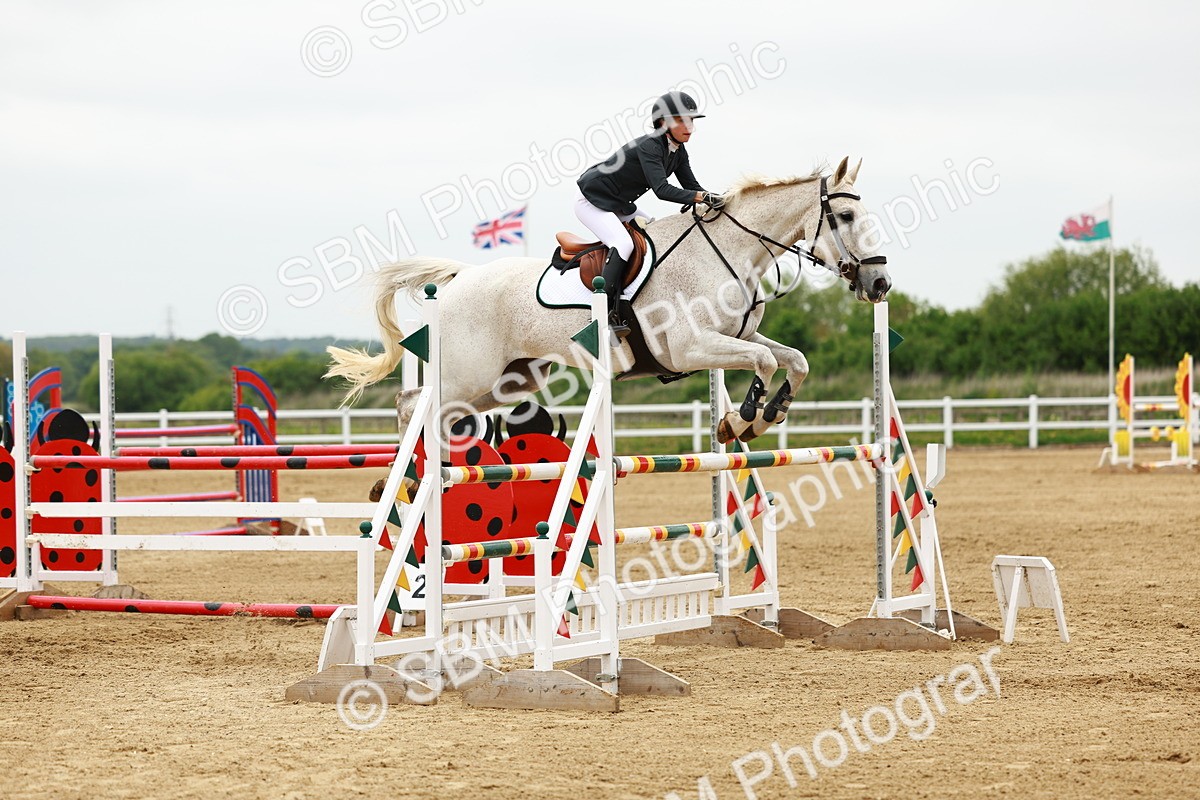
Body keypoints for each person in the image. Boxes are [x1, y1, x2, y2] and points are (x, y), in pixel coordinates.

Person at [575, 90, 724, 337]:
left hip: (619, 203)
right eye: (682, 120)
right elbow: (662, 190)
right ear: (663, 123)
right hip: (591, 200)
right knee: (622, 243)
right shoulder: (650, 145)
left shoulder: (678, 150)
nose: (689, 127)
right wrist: (701, 198)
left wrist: (720, 198)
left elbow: (693, 188)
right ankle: (602, 314)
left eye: (691, 121)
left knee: (654, 234)